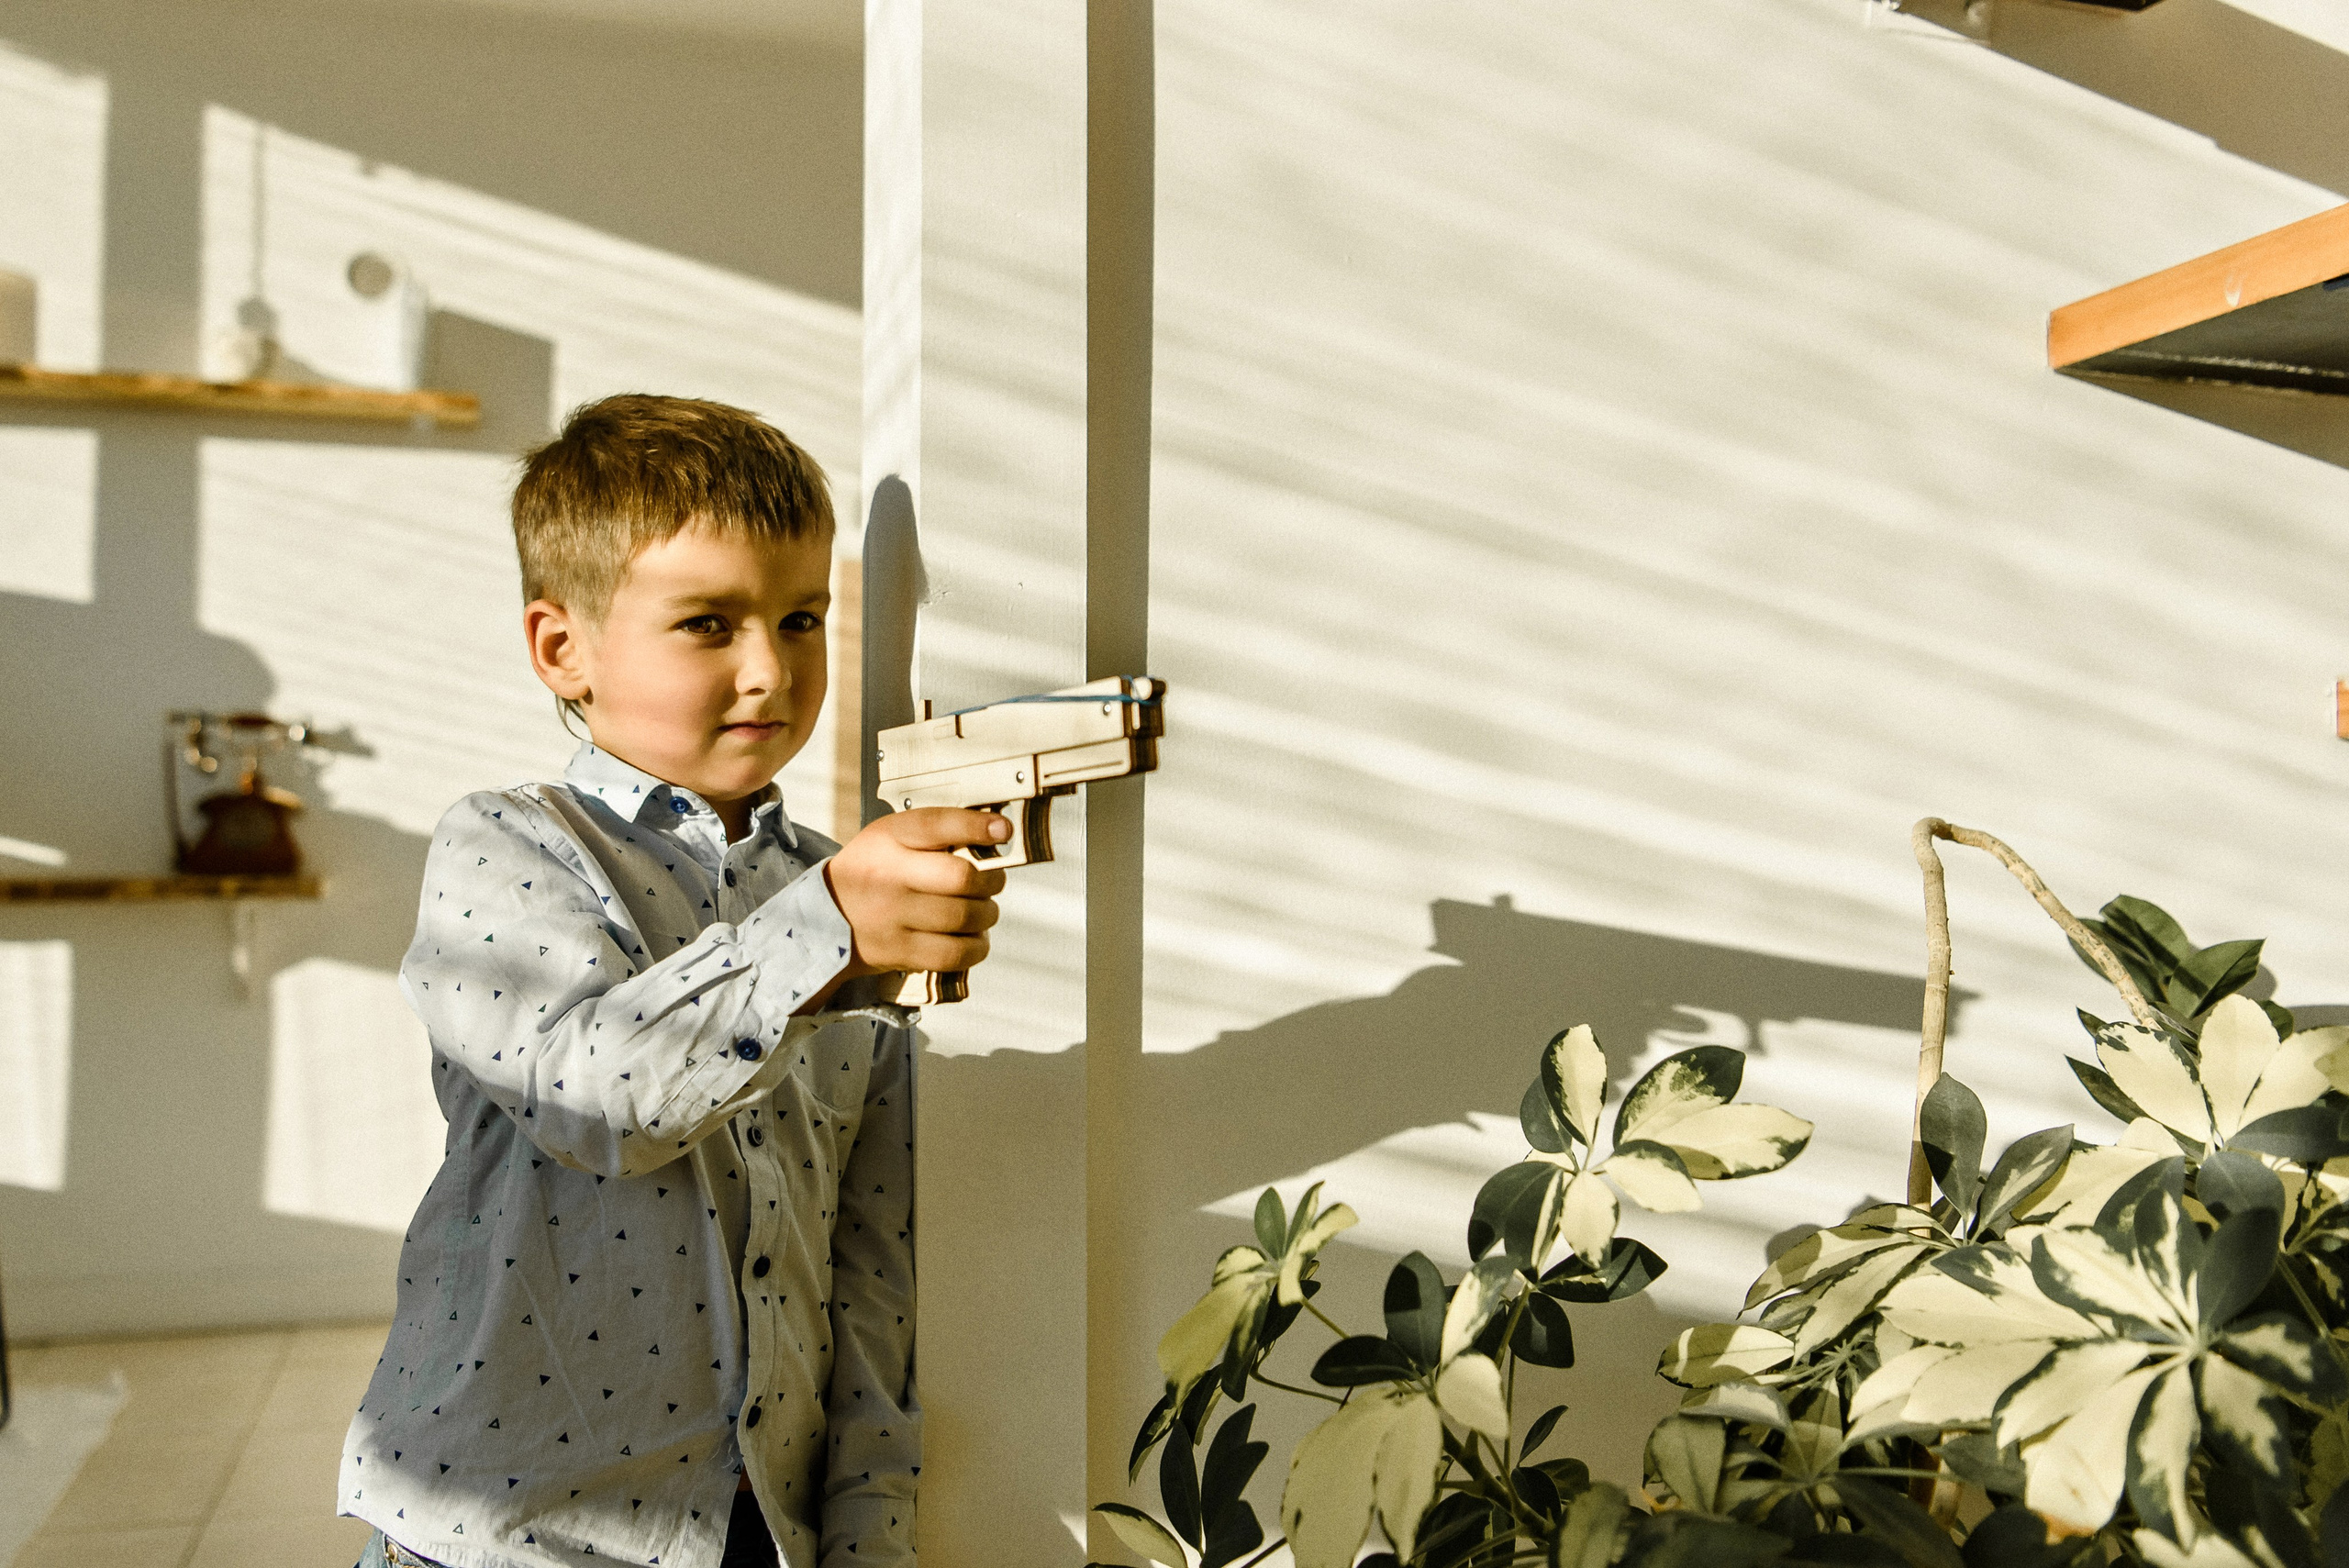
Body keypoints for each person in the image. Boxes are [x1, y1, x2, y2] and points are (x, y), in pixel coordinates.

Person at [339, 394, 1007, 1568]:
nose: (771, 668)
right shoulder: (505, 847)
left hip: (758, 1528)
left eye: (803, 617)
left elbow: (872, 1258)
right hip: (512, 1529)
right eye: (709, 623)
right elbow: (590, 1098)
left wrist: (869, 1531)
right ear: (564, 649)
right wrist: (832, 930)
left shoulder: (844, 903)